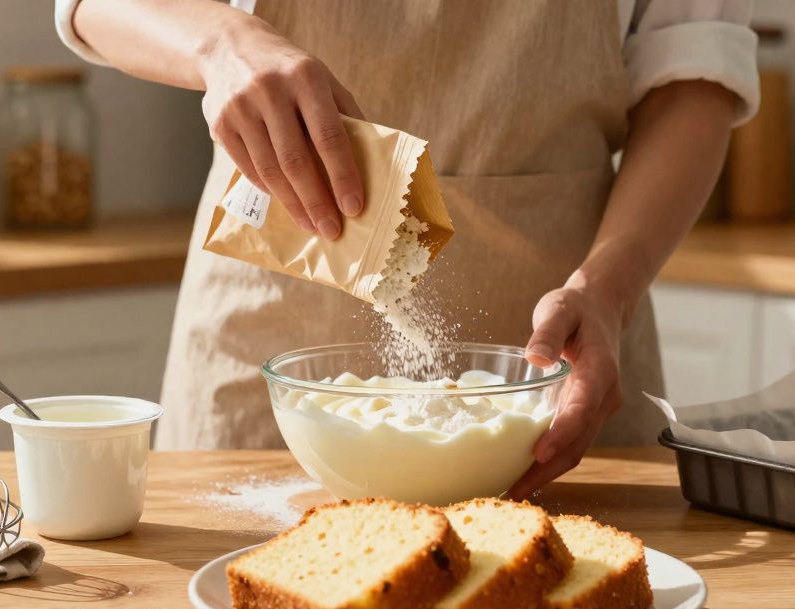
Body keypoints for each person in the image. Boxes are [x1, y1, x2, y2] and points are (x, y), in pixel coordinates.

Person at [54, 0, 758, 497]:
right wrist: (219, 41)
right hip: (269, 329)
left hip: (563, 347)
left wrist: (608, 289)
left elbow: (691, 76)